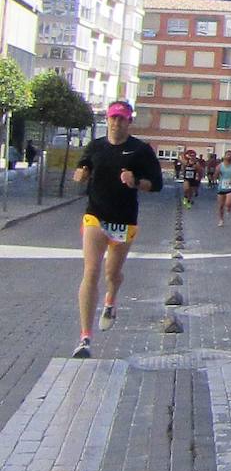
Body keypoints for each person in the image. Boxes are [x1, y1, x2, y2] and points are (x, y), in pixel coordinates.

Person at [70, 101, 163, 358]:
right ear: (107, 119)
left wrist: (136, 182)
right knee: (91, 271)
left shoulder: (140, 150)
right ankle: (85, 338)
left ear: (129, 122)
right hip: (95, 216)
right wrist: (81, 174)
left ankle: (111, 299)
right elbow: (84, 166)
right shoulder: (96, 146)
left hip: (124, 220)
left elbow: (156, 184)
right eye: (113, 118)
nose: (116, 123)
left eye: (121, 119)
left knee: (112, 273)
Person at [215, 149, 231, 226]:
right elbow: (216, 175)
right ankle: (221, 219)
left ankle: (228, 208)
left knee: (228, 202)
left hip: (230, 187)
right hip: (221, 187)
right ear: (224, 156)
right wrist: (216, 178)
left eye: (230, 155)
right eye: (228, 155)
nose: (229, 156)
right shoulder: (220, 166)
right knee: (220, 205)